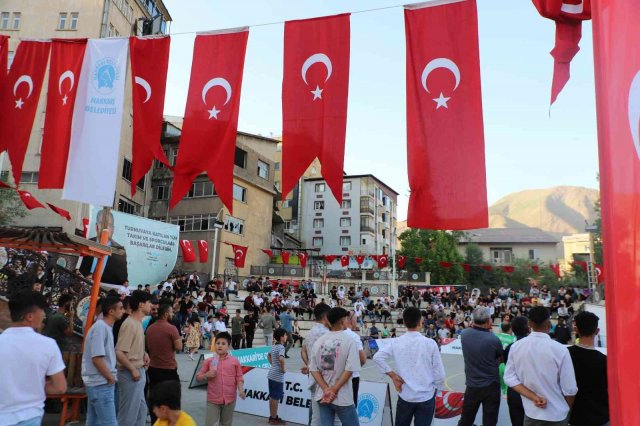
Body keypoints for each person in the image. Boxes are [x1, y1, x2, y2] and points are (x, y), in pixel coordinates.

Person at [0, 291, 67, 425]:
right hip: (31, 415)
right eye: (41, 311)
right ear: (30, 316)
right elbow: (60, 387)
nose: (43, 315)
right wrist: (34, 386)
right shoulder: (48, 345)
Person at [504, 306, 577, 426]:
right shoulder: (560, 349)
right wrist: (565, 410)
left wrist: (533, 397)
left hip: (532, 413)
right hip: (557, 415)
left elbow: (509, 378)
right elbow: (570, 389)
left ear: (530, 324)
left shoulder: (516, 347)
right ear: (548, 324)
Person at [374, 307, 445, 426]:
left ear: (405, 322)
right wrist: (438, 389)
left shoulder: (396, 342)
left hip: (405, 394)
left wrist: (393, 375)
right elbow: (440, 373)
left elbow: (377, 357)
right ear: (420, 322)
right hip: (426, 396)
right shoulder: (430, 343)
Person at [309, 307, 361, 426]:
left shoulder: (321, 340)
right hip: (342, 397)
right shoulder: (350, 340)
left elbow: (315, 369)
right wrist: (334, 390)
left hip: (323, 395)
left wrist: (327, 389)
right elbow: (350, 369)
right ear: (343, 321)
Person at [82, 295, 124, 426]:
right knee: (109, 422)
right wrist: (110, 377)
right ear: (111, 311)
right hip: (101, 383)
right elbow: (97, 358)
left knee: (95, 422)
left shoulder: (105, 327)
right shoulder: (100, 327)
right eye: (121, 308)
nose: (123, 311)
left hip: (99, 382)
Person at [458, 306, 504, 426]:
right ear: (489, 320)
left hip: (472, 384)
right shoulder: (494, 339)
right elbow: (500, 359)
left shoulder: (464, 334)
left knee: (466, 419)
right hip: (491, 385)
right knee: (490, 420)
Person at [115, 290, 152, 426]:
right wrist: (132, 369)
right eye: (149, 303)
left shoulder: (137, 323)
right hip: (130, 373)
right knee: (128, 415)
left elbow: (132, 347)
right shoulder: (130, 324)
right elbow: (119, 352)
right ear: (141, 305)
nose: (151, 305)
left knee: (140, 411)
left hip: (137, 371)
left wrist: (144, 354)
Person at [568, 311, 609, 426]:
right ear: (597, 331)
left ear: (576, 330)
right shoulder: (604, 360)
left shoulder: (565, 355)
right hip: (601, 416)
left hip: (575, 416)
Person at [196, 332, 246, 426]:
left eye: (223, 344)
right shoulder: (209, 361)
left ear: (228, 346)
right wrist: (206, 375)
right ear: (214, 345)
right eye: (218, 343)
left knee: (226, 424)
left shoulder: (234, 361)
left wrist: (241, 390)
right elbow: (198, 377)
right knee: (211, 424)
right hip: (213, 400)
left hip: (230, 399)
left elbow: (239, 377)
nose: (220, 346)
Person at [145, 304, 183, 423]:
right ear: (166, 313)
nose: (173, 314)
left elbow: (147, 346)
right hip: (168, 369)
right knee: (171, 401)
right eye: (171, 312)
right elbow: (179, 347)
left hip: (153, 368)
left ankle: (155, 423)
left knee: (156, 399)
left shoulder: (150, 328)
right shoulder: (171, 328)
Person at [79, 209, 128, 284]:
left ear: (113, 229)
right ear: (96, 226)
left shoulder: (119, 250)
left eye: (109, 225)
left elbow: (122, 278)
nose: (106, 228)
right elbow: (80, 267)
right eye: (102, 224)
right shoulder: (87, 243)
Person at [302, 304, 332, 426]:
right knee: (330, 415)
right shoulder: (327, 333)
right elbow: (328, 362)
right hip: (326, 379)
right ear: (325, 316)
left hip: (313, 376)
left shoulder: (309, 333)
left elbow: (303, 351)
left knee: (316, 415)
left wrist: (309, 365)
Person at [504, 316, 530, 426]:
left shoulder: (510, 347)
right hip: (531, 390)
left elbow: (507, 367)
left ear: (512, 330)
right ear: (528, 328)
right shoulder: (534, 347)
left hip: (515, 391)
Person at [345, 311, 367, 406]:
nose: (357, 322)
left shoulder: (333, 334)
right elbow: (363, 359)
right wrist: (355, 368)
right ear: (351, 320)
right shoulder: (354, 336)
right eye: (356, 320)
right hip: (352, 376)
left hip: (337, 376)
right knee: (351, 406)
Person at [267, 328, 288, 425]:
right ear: (281, 337)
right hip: (277, 376)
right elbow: (281, 359)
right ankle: (274, 418)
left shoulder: (273, 346)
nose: (286, 337)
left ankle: (272, 416)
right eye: (285, 335)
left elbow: (268, 355)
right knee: (275, 398)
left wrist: (273, 365)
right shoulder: (281, 347)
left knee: (272, 397)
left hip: (271, 374)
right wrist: (282, 369)